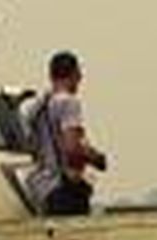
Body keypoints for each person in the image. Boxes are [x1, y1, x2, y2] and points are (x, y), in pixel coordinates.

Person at [24, 51, 108, 216]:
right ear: (75, 74)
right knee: (75, 239)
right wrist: (96, 158)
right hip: (64, 189)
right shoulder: (68, 102)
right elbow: (71, 148)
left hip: (42, 189)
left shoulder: (37, 106)